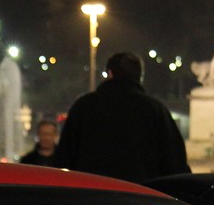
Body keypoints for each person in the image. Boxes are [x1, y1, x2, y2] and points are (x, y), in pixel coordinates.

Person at [53, 52, 189, 183]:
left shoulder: (83, 107)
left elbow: (65, 157)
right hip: (141, 198)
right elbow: (174, 163)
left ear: (110, 73)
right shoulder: (155, 110)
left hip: (91, 197)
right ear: (139, 76)